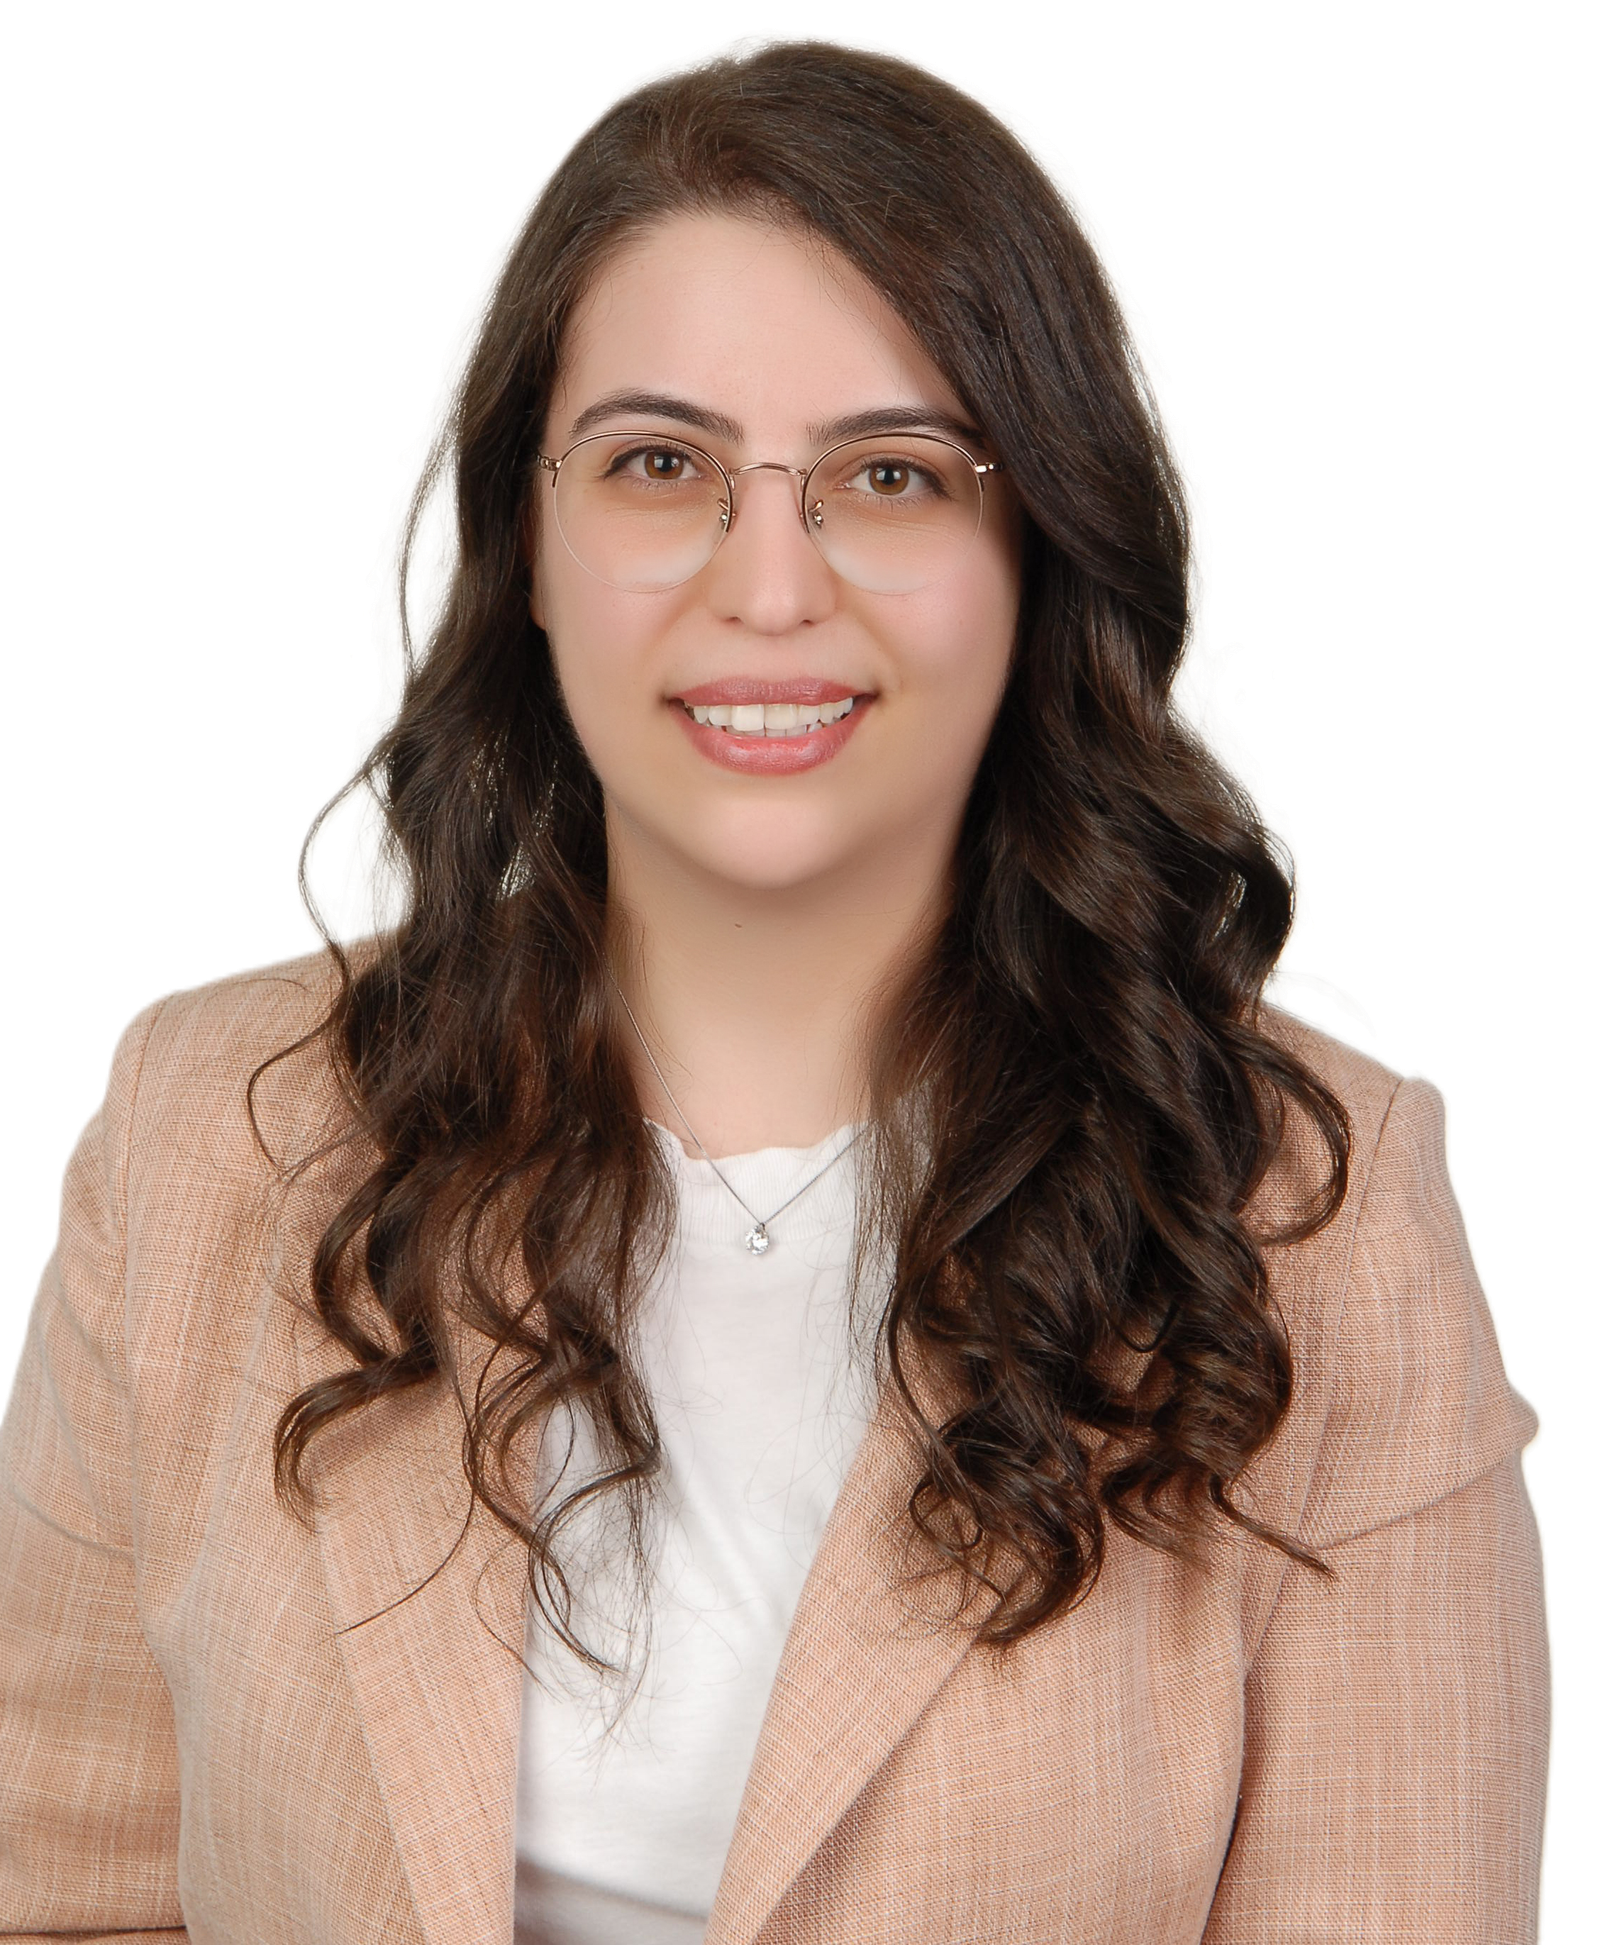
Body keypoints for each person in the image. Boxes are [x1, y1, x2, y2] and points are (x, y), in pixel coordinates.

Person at [0, 29, 1550, 1945]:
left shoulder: (1317, 1218)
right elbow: (74, 1901)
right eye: (660, 464)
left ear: (1034, 555)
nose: (768, 585)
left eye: (889, 475)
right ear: (529, 543)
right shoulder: (204, 1134)